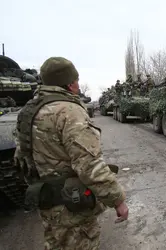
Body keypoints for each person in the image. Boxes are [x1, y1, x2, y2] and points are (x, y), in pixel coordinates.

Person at [14, 57, 129, 250]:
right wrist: (117, 200)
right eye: (76, 79)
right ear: (70, 83)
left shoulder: (28, 111)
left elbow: (21, 157)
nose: (77, 83)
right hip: (73, 206)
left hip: (48, 202)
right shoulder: (69, 111)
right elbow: (89, 166)